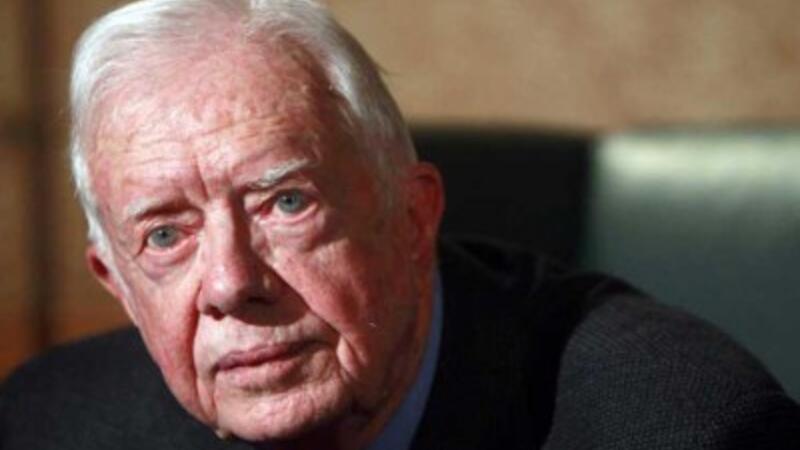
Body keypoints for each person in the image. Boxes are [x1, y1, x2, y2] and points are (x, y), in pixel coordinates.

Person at [1, 1, 798, 449]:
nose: (232, 283)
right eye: (165, 237)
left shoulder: (681, 428)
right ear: (117, 282)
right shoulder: (50, 426)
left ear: (412, 216)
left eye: (286, 203)